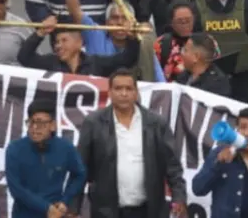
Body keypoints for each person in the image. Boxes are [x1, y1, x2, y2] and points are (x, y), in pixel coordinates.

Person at [75, 69, 187, 218]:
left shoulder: (156, 123)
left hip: (148, 211)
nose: (124, 93)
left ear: (136, 93)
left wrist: (179, 198)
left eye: (128, 89)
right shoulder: (93, 123)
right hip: (106, 211)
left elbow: (173, 166)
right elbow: (80, 169)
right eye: (118, 88)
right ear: (110, 92)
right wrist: (73, 209)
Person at [5, 99, 86, 218]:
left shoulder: (65, 148)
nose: (34, 128)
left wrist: (65, 200)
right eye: (31, 122)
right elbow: (16, 189)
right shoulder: (15, 149)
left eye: (40, 123)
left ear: (53, 125)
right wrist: (46, 208)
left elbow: (80, 174)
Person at [17, 10, 140, 76]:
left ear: (79, 42)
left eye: (64, 40)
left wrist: (132, 37)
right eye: (56, 42)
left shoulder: (95, 63)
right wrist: (41, 32)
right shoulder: (51, 62)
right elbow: (24, 58)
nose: (58, 46)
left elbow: (127, 59)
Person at [191, 107, 248, 218]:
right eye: (243, 127)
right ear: (236, 129)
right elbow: (198, 189)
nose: (247, 133)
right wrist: (217, 164)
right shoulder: (219, 153)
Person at [175, 32, 230, 97]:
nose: (182, 53)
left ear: (195, 57)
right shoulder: (183, 75)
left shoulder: (217, 86)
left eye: (185, 50)